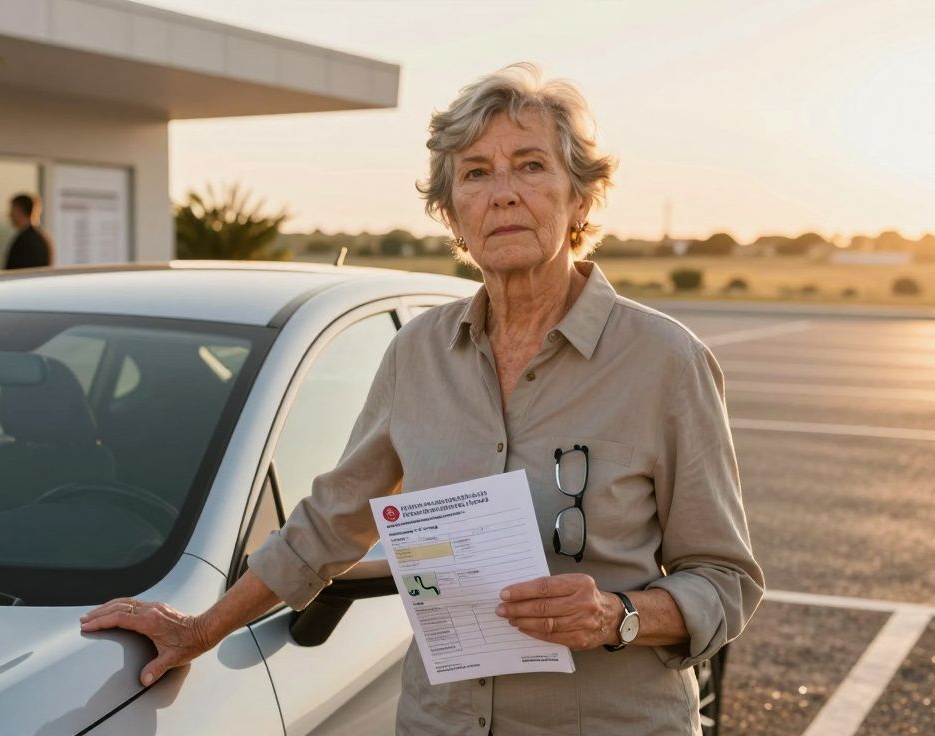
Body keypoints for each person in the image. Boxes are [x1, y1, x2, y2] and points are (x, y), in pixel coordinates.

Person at [80, 64, 763, 735]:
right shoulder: (416, 356)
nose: (502, 193)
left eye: (530, 165)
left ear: (580, 199)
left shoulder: (664, 361)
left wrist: (618, 615)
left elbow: (727, 581)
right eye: (475, 173)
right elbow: (328, 526)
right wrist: (200, 629)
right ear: (453, 219)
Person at [3, 193, 54, 269]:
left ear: (20, 210)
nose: (9, 214)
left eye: (13, 209)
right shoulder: (42, 239)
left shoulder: (24, 241)